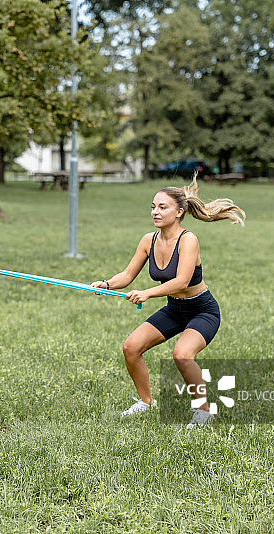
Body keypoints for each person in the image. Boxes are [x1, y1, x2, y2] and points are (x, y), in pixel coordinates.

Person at [91, 176, 245, 429]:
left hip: (201, 309)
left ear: (179, 212)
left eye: (162, 207)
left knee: (182, 355)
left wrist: (148, 293)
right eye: (153, 206)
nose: (155, 212)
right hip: (175, 309)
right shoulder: (148, 241)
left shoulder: (188, 240)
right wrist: (106, 284)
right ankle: (146, 401)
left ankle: (203, 411)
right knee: (131, 348)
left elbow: (182, 281)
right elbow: (127, 276)